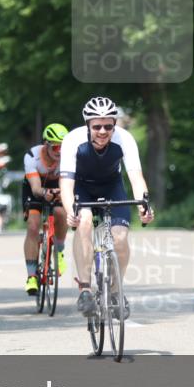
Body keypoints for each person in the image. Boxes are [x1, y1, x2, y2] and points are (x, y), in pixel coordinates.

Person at [60, 97, 154, 318]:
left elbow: (136, 178)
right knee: (83, 221)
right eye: (97, 126)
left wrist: (144, 206)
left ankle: (115, 291)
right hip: (81, 188)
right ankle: (84, 288)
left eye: (108, 126)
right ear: (87, 125)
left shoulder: (125, 139)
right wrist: (69, 211)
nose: (103, 131)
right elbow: (66, 184)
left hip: (112, 187)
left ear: (114, 125)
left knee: (120, 237)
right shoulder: (73, 140)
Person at [22, 123, 70, 296]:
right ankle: (31, 276)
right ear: (46, 144)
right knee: (33, 226)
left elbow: (71, 184)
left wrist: (62, 193)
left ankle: (59, 251)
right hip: (35, 188)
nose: (59, 151)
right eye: (56, 146)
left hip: (57, 186)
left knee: (61, 213)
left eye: (63, 146)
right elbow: (35, 189)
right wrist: (44, 193)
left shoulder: (68, 157)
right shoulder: (32, 156)